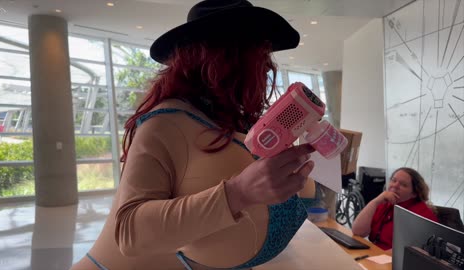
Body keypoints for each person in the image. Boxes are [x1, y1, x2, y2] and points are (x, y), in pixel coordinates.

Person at [70, 1, 318, 269]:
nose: (268, 67)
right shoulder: (164, 123)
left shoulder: (232, 123)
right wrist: (238, 193)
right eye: (259, 54)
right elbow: (130, 232)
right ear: (224, 59)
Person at [352, 167, 438, 250]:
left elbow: (410, 250)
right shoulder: (385, 203)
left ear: (414, 193)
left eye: (403, 185)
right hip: (376, 255)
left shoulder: (423, 215)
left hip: (394, 261)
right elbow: (358, 231)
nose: (395, 185)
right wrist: (375, 201)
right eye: (393, 180)